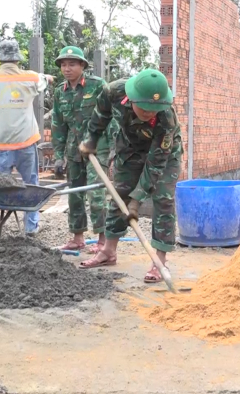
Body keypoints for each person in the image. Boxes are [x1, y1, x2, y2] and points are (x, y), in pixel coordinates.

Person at [77, 68, 182, 283]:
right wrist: (91, 140)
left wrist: (137, 201)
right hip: (129, 146)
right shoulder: (113, 91)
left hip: (163, 155)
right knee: (119, 194)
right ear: (131, 98)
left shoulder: (166, 118)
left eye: (154, 110)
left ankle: (159, 260)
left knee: (163, 198)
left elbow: (156, 163)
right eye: (144, 109)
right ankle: (108, 251)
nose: (149, 113)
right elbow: (100, 115)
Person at [0, 39, 54, 236]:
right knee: (31, 185)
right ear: (18, 58)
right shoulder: (31, 78)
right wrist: (48, 77)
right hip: (25, 143)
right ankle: (31, 228)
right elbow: (45, 79)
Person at [51, 46, 118, 253]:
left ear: (82, 65)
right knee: (74, 194)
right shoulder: (59, 93)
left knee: (96, 193)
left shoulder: (97, 86)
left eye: (72, 64)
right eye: (63, 64)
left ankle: (102, 240)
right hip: (74, 150)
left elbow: (113, 114)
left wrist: (116, 148)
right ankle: (77, 237)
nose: (67, 68)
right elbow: (58, 126)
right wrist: (59, 156)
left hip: (98, 148)